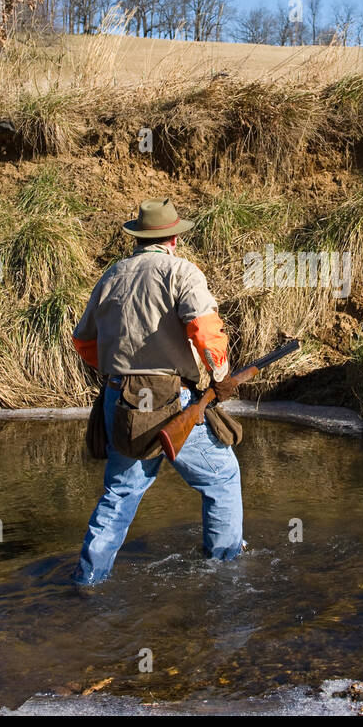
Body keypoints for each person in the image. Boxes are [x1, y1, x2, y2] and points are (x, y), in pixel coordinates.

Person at [70, 198, 242, 585]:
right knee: (222, 479)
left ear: (138, 239)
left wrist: (119, 373)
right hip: (169, 399)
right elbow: (206, 332)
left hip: (120, 398)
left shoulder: (112, 276)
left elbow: (83, 343)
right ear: (173, 239)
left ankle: (88, 580)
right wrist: (220, 374)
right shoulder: (181, 272)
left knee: (118, 495)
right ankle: (226, 571)